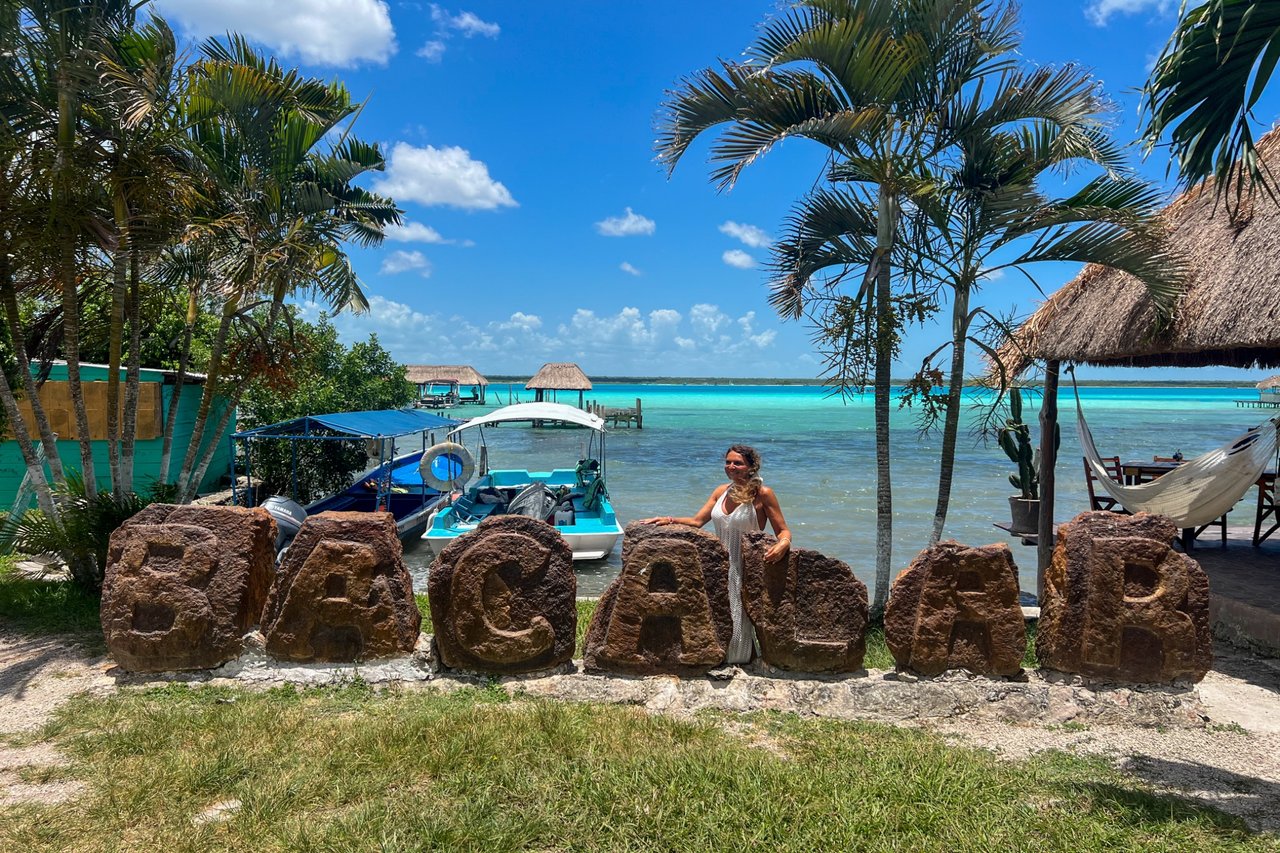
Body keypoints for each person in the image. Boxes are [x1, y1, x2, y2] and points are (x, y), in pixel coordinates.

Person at [641, 444, 791, 664]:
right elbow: (697, 521)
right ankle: (721, 658)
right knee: (720, 615)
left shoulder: (763, 494)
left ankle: (742, 660)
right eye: (728, 462)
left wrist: (783, 544)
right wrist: (669, 520)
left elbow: (783, 530)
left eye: (737, 463)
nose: (731, 466)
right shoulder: (721, 492)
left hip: (746, 566)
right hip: (719, 564)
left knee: (741, 617)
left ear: (751, 466)